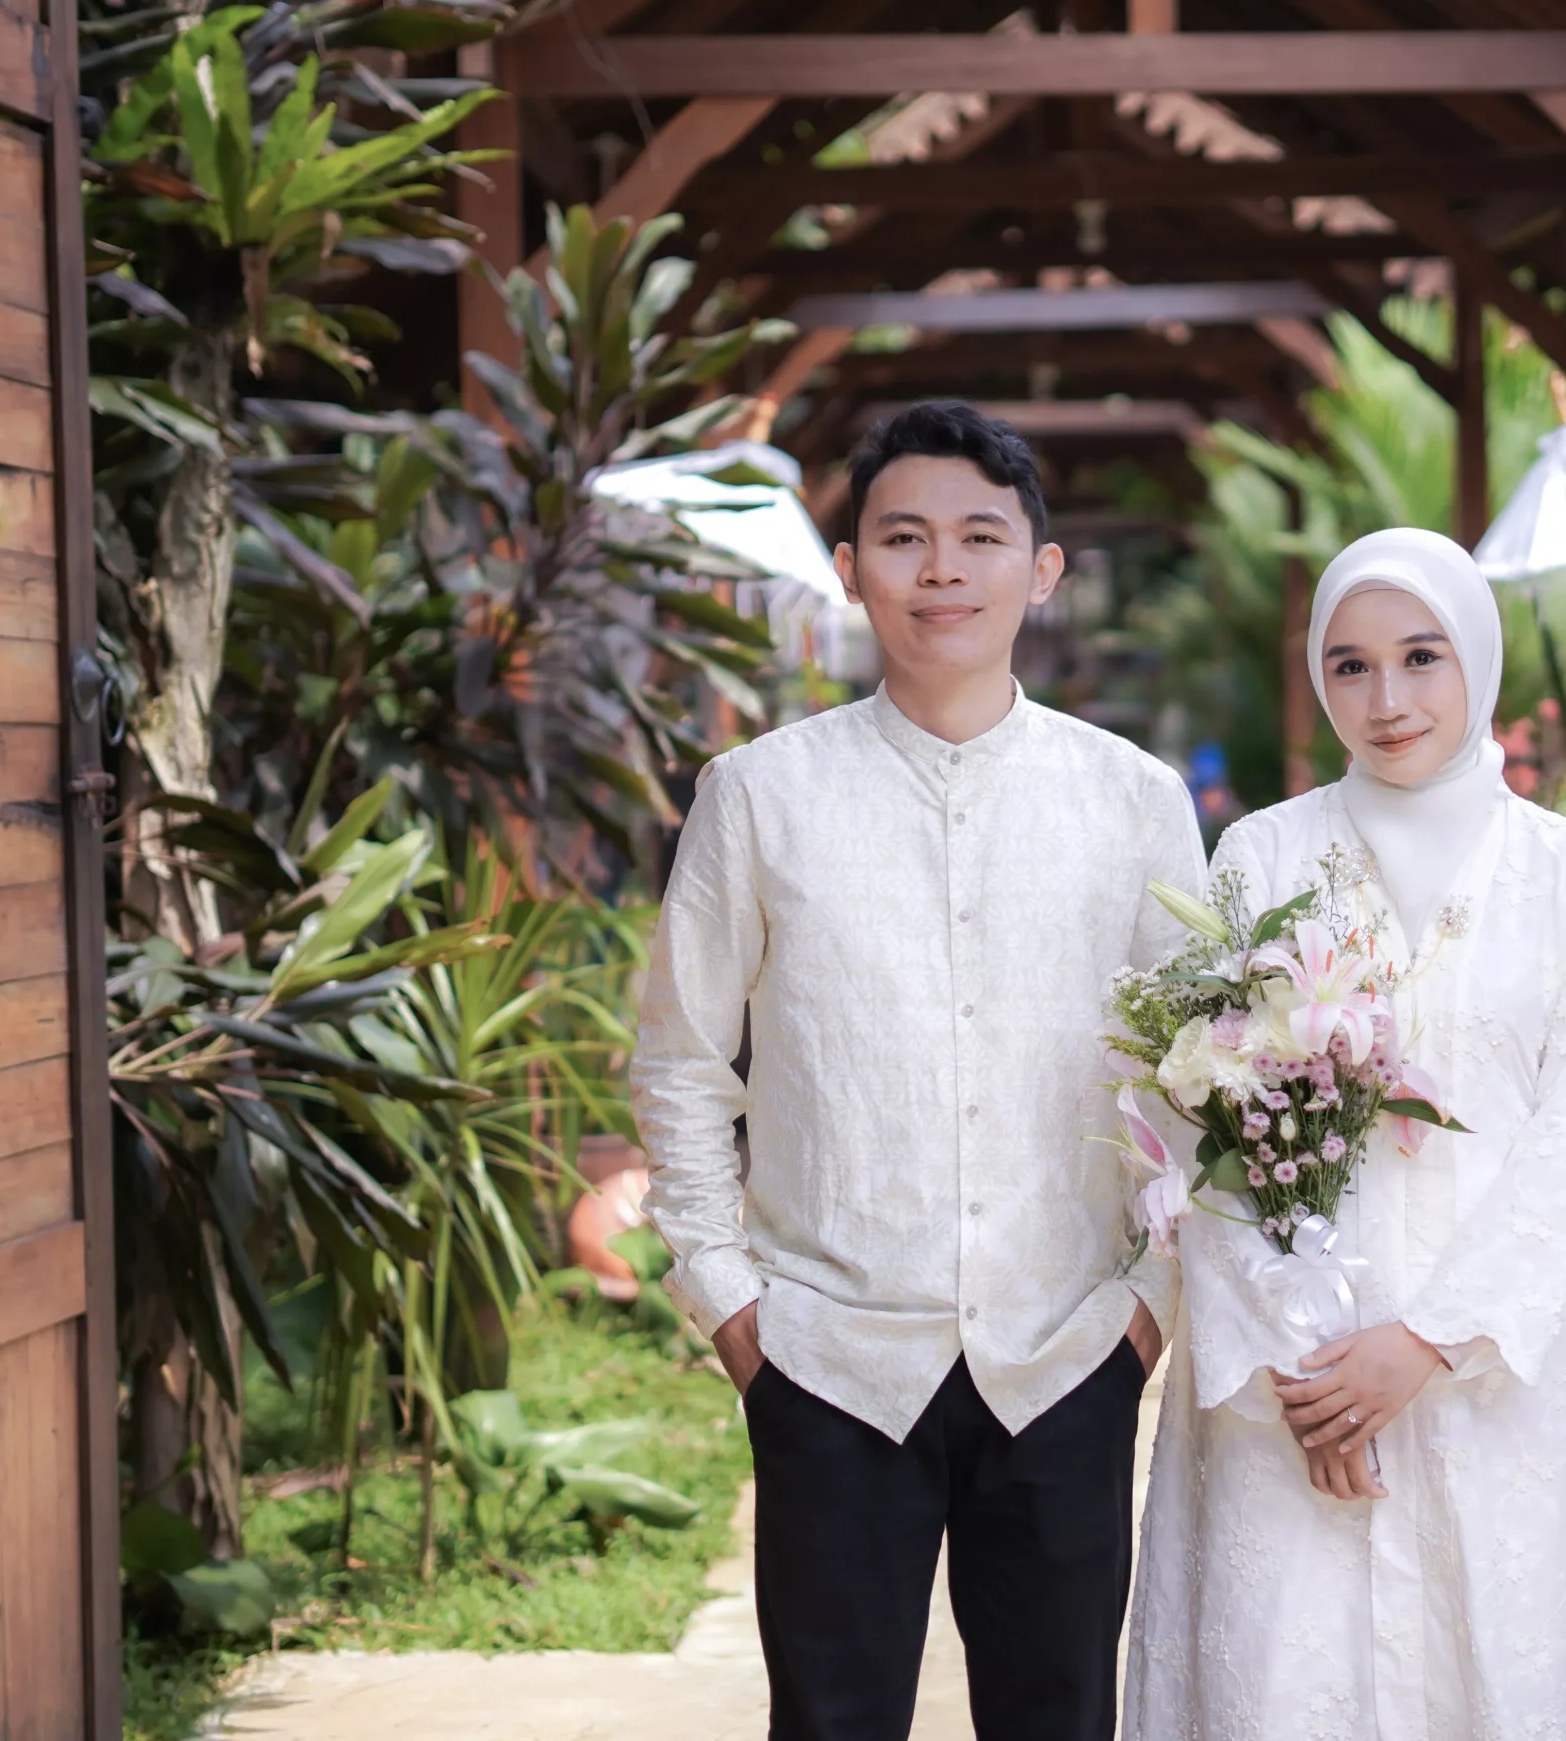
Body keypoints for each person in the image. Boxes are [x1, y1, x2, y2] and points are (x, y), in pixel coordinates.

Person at [634, 401, 1205, 1741]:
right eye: (903, 537)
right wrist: (728, 1302)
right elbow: (681, 1062)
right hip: (826, 1358)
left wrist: (1150, 1305)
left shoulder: (1135, 800)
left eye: (980, 537)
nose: (942, 568)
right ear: (850, 569)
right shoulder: (756, 794)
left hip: (1067, 1353)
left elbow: (1196, 1075)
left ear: (1041, 569)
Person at [1124, 527, 1566, 1739]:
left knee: (1507, 1667)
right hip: (1294, 1380)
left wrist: (1428, 1342)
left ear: (1475, 655)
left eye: (1421, 656)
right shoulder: (1262, 855)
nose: (1387, 700)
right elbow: (1206, 1112)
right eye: (1351, 665)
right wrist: (1313, 1374)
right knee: (1295, 1673)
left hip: (1506, 1368)